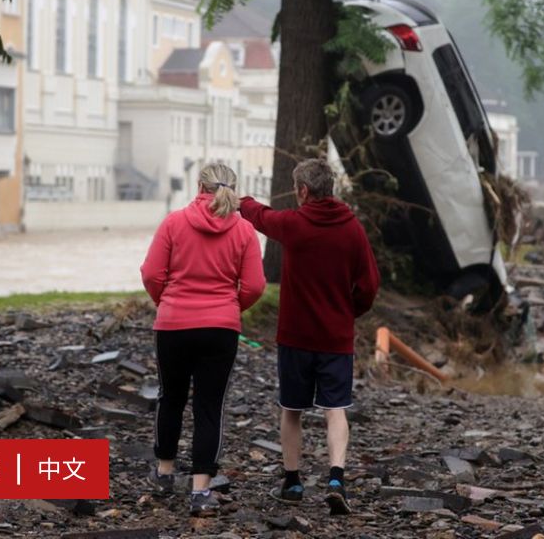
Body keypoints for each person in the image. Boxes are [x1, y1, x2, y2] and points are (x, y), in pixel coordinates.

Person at [239, 158, 380, 515]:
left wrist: (240, 201)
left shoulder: (295, 225)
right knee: (336, 409)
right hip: (336, 338)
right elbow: (369, 285)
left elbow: (261, 217)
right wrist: (349, 312)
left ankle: (293, 482)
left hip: (296, 337)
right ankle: (336, 478)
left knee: (292, 409)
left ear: (303, 190)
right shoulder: (353, 230)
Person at [140, 163, 267, 517]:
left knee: (171, 397)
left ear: (199, 185)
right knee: (209, 407)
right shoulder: (244, 231)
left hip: (173, 324)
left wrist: (165, 302)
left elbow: (151, 273)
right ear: (233, 188)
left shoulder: (173, 222)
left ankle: (164, 474)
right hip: (221, 328)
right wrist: (229, 308)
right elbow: (256, 285)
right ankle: (200, 491)